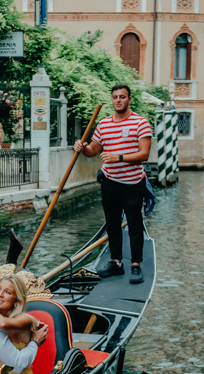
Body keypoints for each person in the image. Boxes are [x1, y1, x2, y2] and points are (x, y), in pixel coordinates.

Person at [73, 84, 152, 285]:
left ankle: (136, 264)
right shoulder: (104, 125)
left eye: (122, 97)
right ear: (112, 99)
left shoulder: (140, 123)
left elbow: (144, 154)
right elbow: (93, 150)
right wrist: (81, 148)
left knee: (135, 225)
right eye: (115, 97)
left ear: (129, 99)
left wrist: (119, 157)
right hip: (109, 182)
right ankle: (116, 262)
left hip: (133, 183)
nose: (118, 100)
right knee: (113, 225)